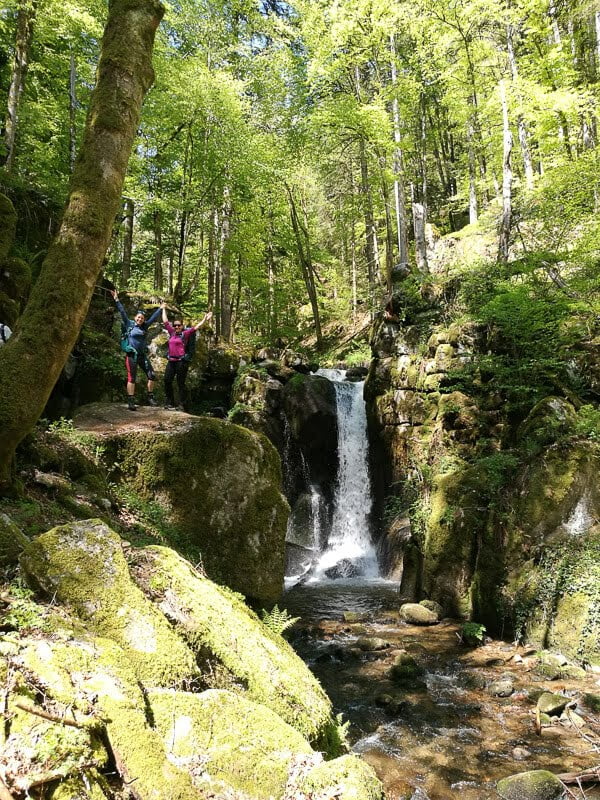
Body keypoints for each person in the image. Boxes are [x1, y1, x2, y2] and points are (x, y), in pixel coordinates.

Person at [111, 289, 162, 410]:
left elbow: (154, 318)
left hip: (142, 356)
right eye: (138, 318)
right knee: (131, 378)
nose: (140, 319)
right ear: (135, 318)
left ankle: (150, 397)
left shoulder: (145, 327)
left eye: (142, 318)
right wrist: (116, 300)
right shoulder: (129, 324)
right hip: (131, 356)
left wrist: (161, 308)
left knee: (152, 375)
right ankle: (131, 401)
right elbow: (122, 312)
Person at [162, 305, 212, 410]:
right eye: (175, 325)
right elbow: (165, 321)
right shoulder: (171, 332)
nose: (176, 327)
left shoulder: (186, 334)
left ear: (182, 326)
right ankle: (169, 402)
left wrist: (204, 319)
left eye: (178, 325)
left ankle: (181, 404)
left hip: (181, 361)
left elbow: (196, 327)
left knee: (181, 383)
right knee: (167, 380)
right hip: (171, 361)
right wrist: (163, 309)